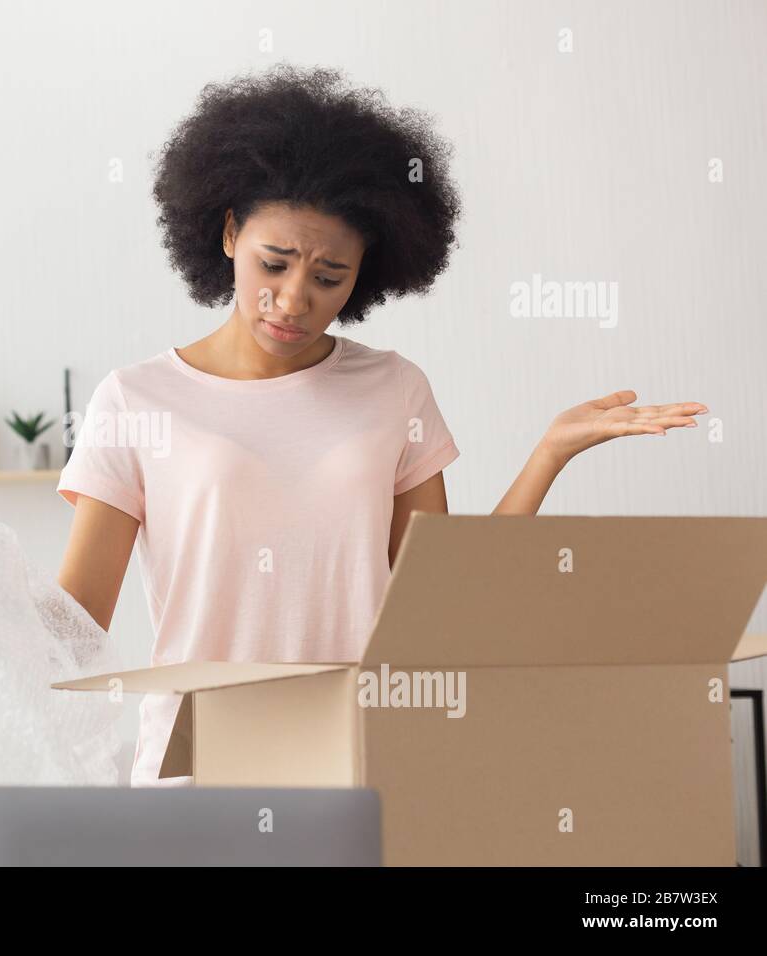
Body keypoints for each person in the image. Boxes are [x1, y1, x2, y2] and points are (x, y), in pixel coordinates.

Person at [54, 64, 706, 788]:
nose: (294, 299)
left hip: (367, 756)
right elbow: (77, 620)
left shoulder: (393, 389)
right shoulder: (137, 400)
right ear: (230, 232)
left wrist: (548, 453)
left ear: (366, 276)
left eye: (330, 277)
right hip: (199, 769)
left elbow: (446, 598)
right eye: (275, 263)